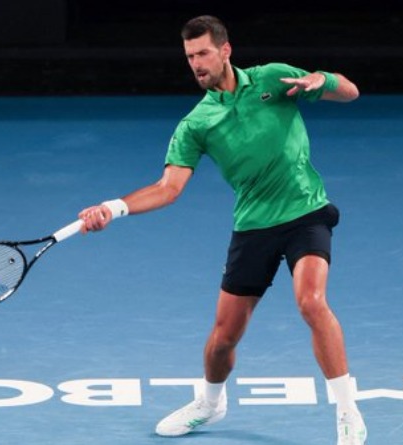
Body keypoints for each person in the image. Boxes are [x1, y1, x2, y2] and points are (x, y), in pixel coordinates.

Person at [78, 15, 366, 445]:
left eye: (203, 53)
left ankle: (347, 411)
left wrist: (322, 80)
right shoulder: (196, 123)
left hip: (305, 211)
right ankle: (211, 402)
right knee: (223, 339)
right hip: (253, 227)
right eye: (189, 57)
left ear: (225, 50)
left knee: (311, 302)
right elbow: (168, 188)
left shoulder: (272, 78)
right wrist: (112, 208)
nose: (196, 64)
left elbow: (350, 91)